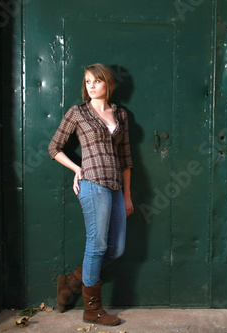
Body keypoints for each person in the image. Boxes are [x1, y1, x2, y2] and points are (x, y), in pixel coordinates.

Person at [48, 63, 134, 326]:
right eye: (87, 81)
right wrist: (77, 168)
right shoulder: (78, 112)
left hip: (116, 187)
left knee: (116, 249)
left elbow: (126, 158)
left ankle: (71, 283)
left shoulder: (120, 114)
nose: (92, 86)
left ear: (108, 83)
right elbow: (54, 147)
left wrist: (127, 195)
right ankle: (92, 309)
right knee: (97, 246)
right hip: (92, 183)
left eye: (96, 81)